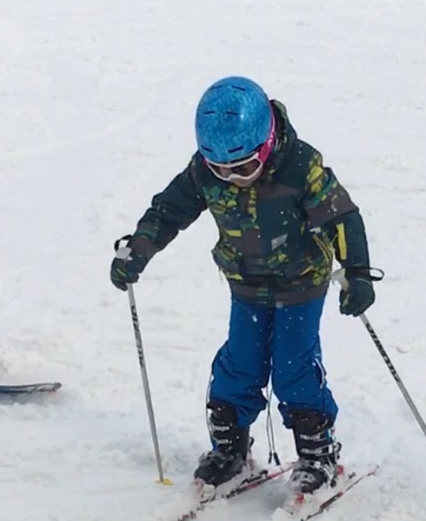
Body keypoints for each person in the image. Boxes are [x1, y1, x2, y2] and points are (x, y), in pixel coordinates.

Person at [110, 77, 375, 495]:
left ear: (267, 143)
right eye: (221, 169)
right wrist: (139, 249)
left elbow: (342, 217)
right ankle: (230, 450)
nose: (233, 178)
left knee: (293, 365)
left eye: (245, 168)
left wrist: (358, 272)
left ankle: (317, 454)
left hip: (300, 282)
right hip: (246, 281)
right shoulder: (204, 173)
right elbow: (169, 210)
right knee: (239, 364)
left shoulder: (300, 166)